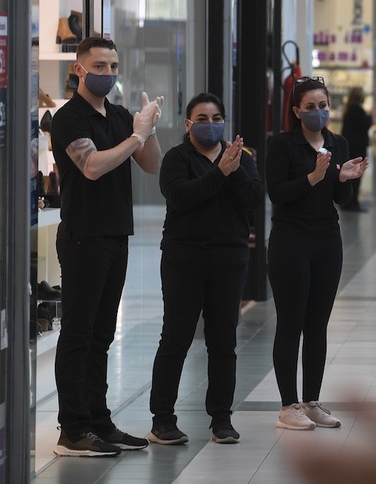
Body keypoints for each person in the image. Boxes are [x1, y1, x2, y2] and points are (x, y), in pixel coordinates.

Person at [50, 37, 164, 457]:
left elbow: (151, 165)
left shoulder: (118, 116)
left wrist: (145, 131)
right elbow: (93, 166)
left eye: (113, 65)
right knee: (79, 334)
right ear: (80, 68)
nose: (107, 73)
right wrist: (135, 137)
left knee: (101, 336)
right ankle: (72, 430)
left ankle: (98, 420)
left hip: (116, 233)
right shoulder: (67, 118)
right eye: (98, 65)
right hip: (83, 235)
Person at [147, 93, 264, 445]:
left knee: (223, 341)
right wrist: (220, 172)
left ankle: (221, 419)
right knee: (176, 337)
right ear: (187, 124)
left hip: (229, 259)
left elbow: (254, 199)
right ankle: (162, 420)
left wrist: (232, 171)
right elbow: (182, 197)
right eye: (202, 118)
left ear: (225, 122)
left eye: (216, 118)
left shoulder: (241, 158)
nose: (209, 124)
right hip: (184, 258)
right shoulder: (177, 158)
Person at [265, 75, 368, 430]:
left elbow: (341, 200)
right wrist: (312, 177)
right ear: (297, 111)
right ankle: (287, 405)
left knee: (317, 325)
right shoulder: (283, 145)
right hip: (291, 241)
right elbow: (277, 193)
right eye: (310, 107)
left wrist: (342, 180)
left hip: (327, 240)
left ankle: (312, 401)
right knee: (291, 323)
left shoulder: (337, 144)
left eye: (323, 106)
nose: (318, 113)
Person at [340, 86, 372, 212]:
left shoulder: (348, 109)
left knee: (350, 175)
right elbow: (366, 125)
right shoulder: (357, 110)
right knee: (356, 175)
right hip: (357, 147)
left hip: (350, 146)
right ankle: (352, 203)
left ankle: (347, 202)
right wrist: (370, 117)